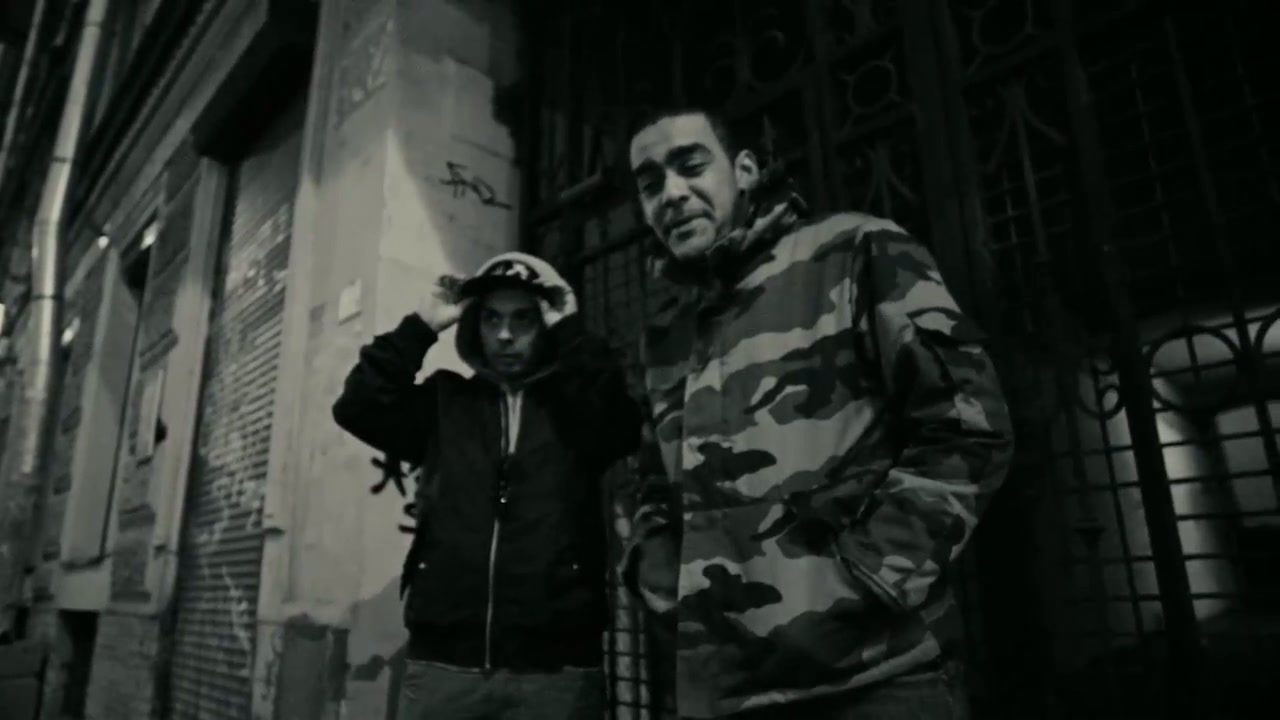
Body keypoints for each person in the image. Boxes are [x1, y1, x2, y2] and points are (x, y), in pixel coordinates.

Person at [618, 107, 1015, 719]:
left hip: (876, 678)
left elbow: (968, 423)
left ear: (743, 170)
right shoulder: (667, 335)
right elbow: (652, 481)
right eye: (650, 185)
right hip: (726, 692)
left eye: (690, 166)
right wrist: (659, 580)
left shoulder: (856, 249)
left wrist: (868, 578)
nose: (671, 194)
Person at [332, 252, 643, 719]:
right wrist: (421, 326)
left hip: (556, 672)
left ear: (545, 325)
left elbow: (620, 427)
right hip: (444, 667)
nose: (504, 335)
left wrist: (571, 332)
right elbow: (357, 405)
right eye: (492, 319)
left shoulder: (575, 407)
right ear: (474, 326)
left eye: (523, 319)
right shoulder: (446, 402)